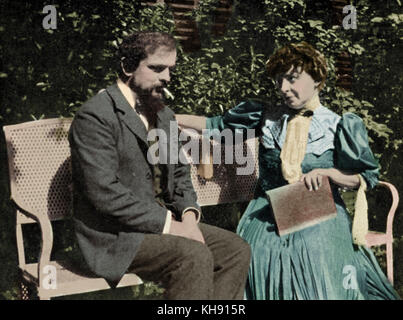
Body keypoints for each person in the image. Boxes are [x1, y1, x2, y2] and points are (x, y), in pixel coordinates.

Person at [176, 42, 400, 300]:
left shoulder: (339, 125)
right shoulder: (265, 117)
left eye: (292, 79)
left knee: (314, 257)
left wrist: (330, 174)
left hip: (320, 213)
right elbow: (215, 124)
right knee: (257, 258)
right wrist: (167, 117)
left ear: (317, 79)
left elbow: (366, 177)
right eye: (278, 81)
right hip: (267, 214)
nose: (283, 88)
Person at [68, 31, 251, 300]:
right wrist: (173, 226)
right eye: (156, 68)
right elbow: (104, 194)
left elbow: (179, 176)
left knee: (235, 249)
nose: (166, 77)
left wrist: (188, 218)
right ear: (127, 66)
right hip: (114, 239)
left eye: (170, 69)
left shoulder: (163, 115)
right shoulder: (96, 116)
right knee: (192, 254)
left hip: (160, 228)